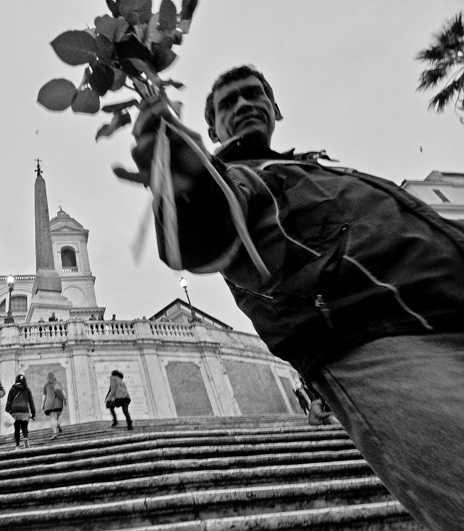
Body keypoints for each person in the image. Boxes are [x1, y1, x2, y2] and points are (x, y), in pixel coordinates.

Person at [119, 64, 464, 530]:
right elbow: (202, 235)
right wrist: (183, 175)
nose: (244, 104)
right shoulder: (235, 177)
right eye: (228, 103)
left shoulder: (312, 166)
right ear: (213, 129)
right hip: (378, 337)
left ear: (275, 107)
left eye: (253, 94)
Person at [5, 374, 36, 450]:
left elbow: (9, 401)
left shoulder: (12, 389)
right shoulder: (27, 390)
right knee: (24, 427)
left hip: (15, 412)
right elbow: (31, 402)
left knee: (17, 429)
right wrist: (33, 413)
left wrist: (7, 410)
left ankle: (17, 446)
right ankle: (25, 438)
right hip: (24, 412)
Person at [41, 372, 66, 439]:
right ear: (54, 377)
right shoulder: (57, 383)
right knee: (59, 414)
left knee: (52, 417)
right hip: (57, 403)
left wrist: (42, 404)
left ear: (48, 378)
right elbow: (63, 392)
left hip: (49, 403)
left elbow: (44, 396)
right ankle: (58, 423)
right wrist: (65, 399)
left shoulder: (46, 385)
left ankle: (55, 432)